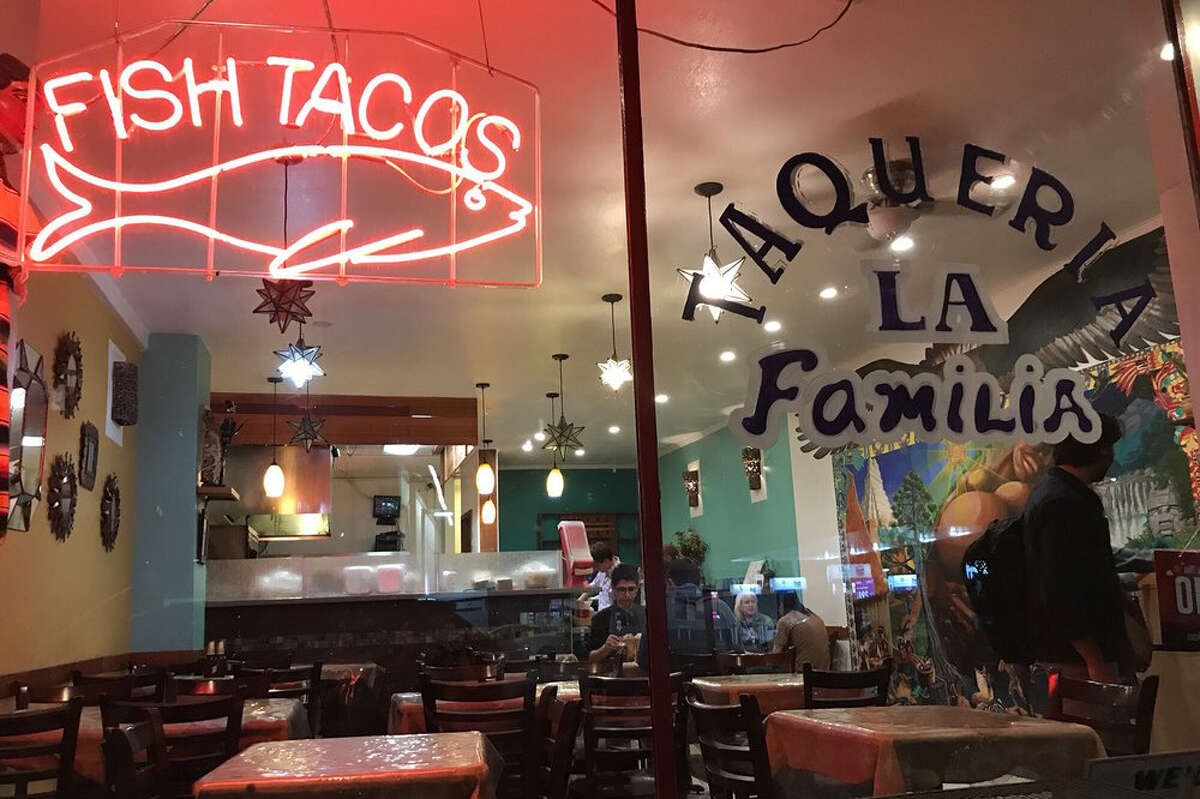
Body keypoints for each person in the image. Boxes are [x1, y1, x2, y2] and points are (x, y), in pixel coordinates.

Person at [1024, 414, 1131, 682]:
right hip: (1076, 662)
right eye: (1110, 446)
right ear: (1101, 449)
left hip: (1068, 656)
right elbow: (1061, 589)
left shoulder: (1053, 494)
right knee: (1095, 724)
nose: (1112, 457)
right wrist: (1094, 659)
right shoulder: (1064, 503)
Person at [637, 558, 737, 670]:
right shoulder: (721, 608)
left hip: (671, 685)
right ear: (700, 582)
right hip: (716, 682)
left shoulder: (659, 611)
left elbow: (643, 660)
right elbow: (739, 654)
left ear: (669, 582)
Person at [588, 563, 645, 663]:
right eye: (622, 589)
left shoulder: (647, 615)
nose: (627, 595)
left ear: (637, 589)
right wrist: (605, 648)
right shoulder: (601, 618)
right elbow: (590, 659)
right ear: (613, 589)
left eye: (631, 589)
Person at [771, 591, 830, 670]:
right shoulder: (813, 615)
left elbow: (775, 657)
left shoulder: (785, 620)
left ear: (781, 604)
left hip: (803, 674)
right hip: (823, 672)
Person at [579, 542, 619, 611]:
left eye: (596, 566)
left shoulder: (620, 573)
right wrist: (579, 601)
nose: (595, 569)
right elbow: (592, 588)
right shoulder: (603, 571)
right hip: (601, 614)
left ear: (606, 561)